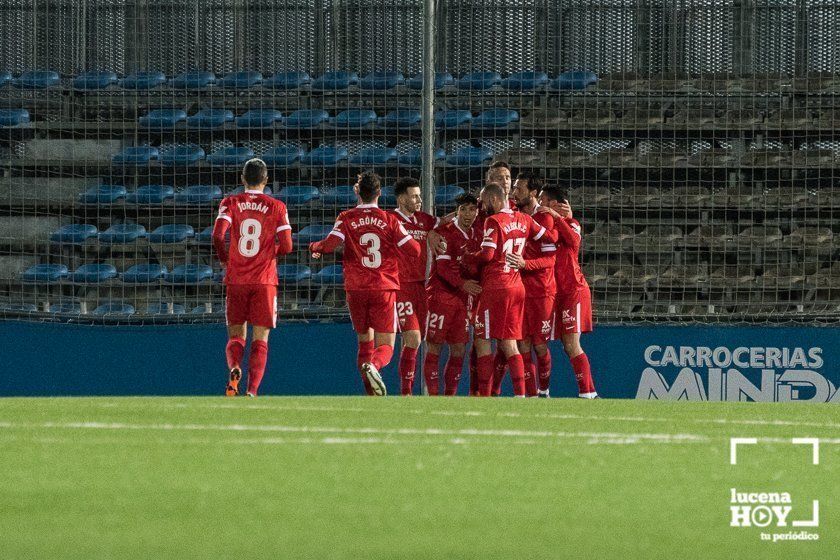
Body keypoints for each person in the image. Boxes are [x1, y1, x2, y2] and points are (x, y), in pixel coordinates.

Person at [309, 172, 421, 396]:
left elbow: (330, 245)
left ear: (357, 191)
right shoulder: (390, 219)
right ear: (379, 193)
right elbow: (415, 251)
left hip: (356, 288)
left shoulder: (346, 217)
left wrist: (315, 247)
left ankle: (370, 394)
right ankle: (375, 366)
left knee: (364, 342)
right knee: (386, 346)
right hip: (383, 286)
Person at [462, 182, 557, 397]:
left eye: (484, 201)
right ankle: (520, 395)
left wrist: (468, 256)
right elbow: (550, 238)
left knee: (483, 340)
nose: (482, 206)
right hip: (517, 286)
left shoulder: (493, 221)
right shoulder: (525, 219)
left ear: (494, 200)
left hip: (496, 286)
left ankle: (485, 396)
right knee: (510, 343)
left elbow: (486, 255)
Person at [212, 158, 293, 397]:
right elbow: (287, 246)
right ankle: (252, 390)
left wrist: (225, 258)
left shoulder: (230, 202)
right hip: (264, 280)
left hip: (236, 278)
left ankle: (235, 366)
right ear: (266, 181)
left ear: (242, 179)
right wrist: (269, 252)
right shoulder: (277, 206)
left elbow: (218, 235)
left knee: (237, 335)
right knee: (261, 338)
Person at [537, 185, 598, 399]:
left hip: (574, 291)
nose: (539, 204)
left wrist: (559, 217)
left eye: (542, 200)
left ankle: (587, 394)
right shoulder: (547, 227)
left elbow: (573, 241)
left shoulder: (571, 224)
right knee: (566, 344)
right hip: (557, 294)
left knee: (572, 344)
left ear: (554, 204)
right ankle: (590, 392)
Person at [503, 171, 556, 397]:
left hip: (541, 290)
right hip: (518, 289)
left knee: (540, 345)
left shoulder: (544, 217)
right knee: (522, 343)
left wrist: (526, 264)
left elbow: (550, 258)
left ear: (533, 193)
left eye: (519, 189)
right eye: (514, 188)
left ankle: (544, 390)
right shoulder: (513, 214)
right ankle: (531, 395)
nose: (515, 193)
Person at [423, 193, 481, 395]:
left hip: (463, 300)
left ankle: (450, 398)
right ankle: (433, 396)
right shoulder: (446, 232)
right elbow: (443, 269)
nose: (468, 214)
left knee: (459, 349)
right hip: (441, 296)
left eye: (472, 209)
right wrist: (463, 284)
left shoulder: (477, 234)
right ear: (457, 211)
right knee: (435, 347)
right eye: (463, 209)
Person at [389, 177, 438, 395]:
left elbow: (442, 223)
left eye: (419, 195)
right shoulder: (390, 219)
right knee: (413, 338)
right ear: (401, 199)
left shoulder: (424, 220)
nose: (419, 200)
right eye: (415, 196)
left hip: (421, 286)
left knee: (422, 339)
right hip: (400, 286)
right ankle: (406, 392)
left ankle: (413, 391)